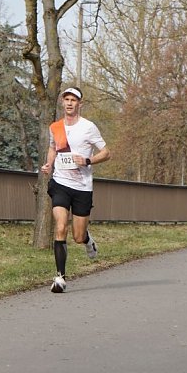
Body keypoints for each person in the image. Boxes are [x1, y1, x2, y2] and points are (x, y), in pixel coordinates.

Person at [40, 86, 111, 293]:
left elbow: (106, 153)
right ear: (62, 102)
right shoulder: (55, 127)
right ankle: (60, 277)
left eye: (74, 100)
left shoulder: (88, 127)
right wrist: (48, 164)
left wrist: (88, 160)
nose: (70, 103)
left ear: (80, 104)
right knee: (61, 226)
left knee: (77, 236)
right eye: (67, 99)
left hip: (82, 187)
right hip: (60, 183)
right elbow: (53, 147)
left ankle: (88, 240)